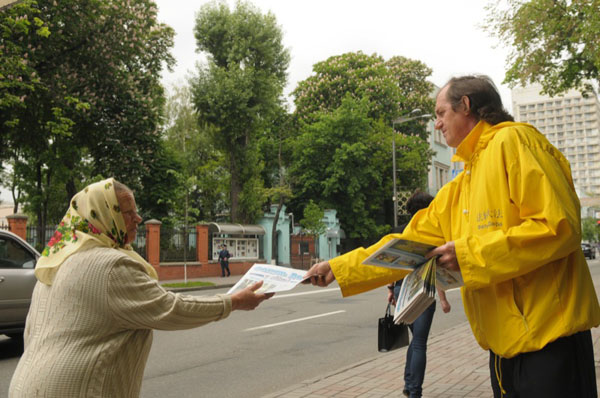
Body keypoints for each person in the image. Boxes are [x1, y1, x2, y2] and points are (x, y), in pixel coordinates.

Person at [305, 75, 600, 398]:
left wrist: (468, 255)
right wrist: (339, 267)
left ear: (466, 106)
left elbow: (558, 227)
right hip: (503, 349)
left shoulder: (515, 142)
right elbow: (408, 244)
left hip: (550, 342)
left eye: (441, 113)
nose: (436, 124)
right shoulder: (461, 185)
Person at [9, 178, 272, 398]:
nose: (138, 218)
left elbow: (31, 333)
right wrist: (233, 301)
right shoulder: (111, 266)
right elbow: (170, 308)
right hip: (76, 389)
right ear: (104, 215)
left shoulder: (55, 261)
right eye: (128, 212)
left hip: (27, 384)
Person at [387, 191, 451, 398]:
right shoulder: (431, 234)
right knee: (420, 342)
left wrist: (391, 289)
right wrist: (443, 299)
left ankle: (408, 382)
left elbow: (390, 265)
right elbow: (436, 269)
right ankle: (415, 391)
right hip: (423, 291)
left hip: (400, 289)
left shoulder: (399, 231)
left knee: (415, 339)